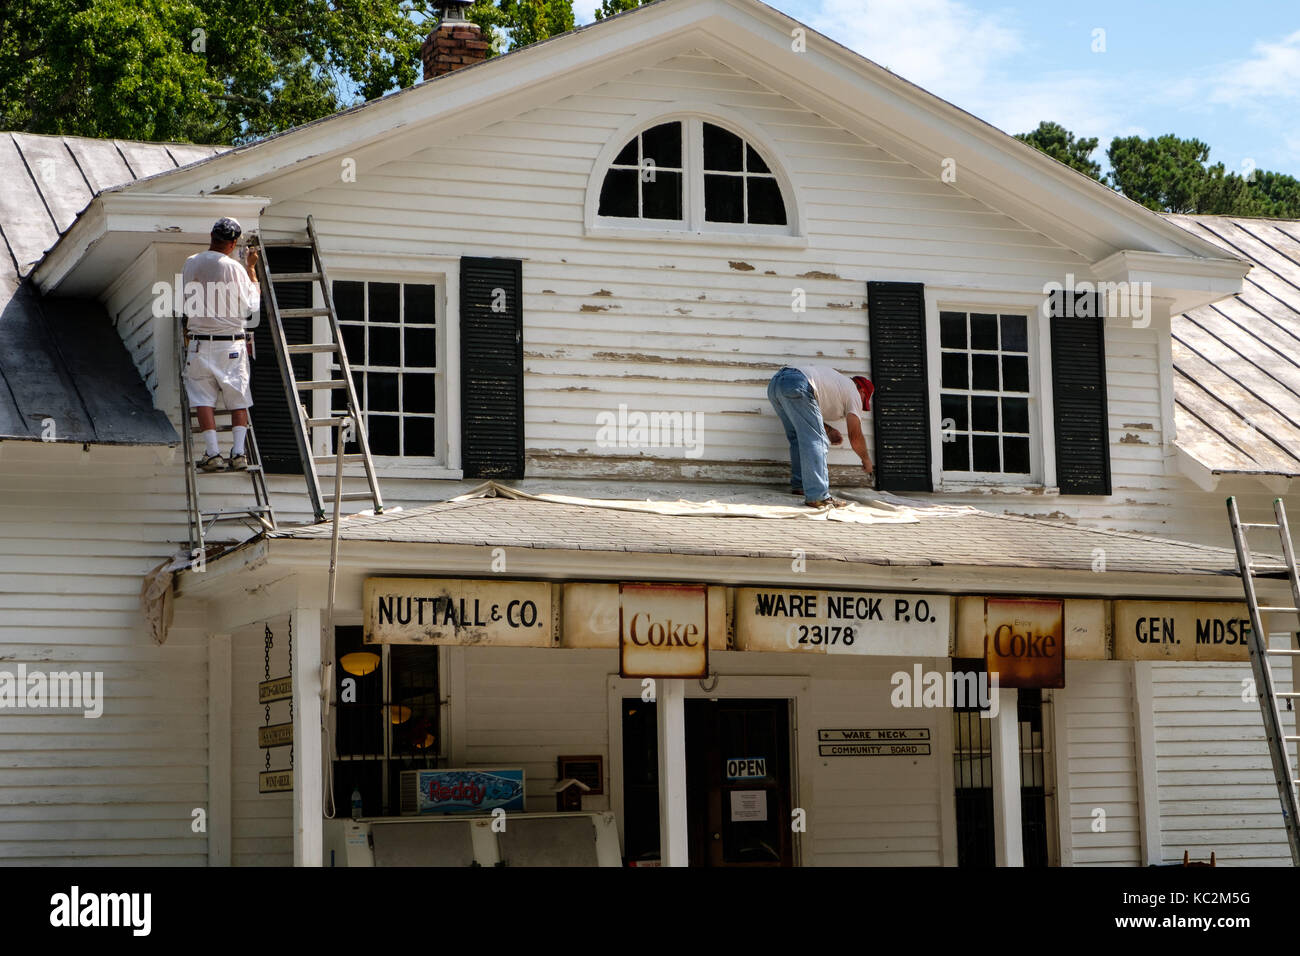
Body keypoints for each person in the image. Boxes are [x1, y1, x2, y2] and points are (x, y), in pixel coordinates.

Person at [182, 218, 261, 471]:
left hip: (199, 343)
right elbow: (252, 307)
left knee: (202, 398)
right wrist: (251, 269)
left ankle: (213, 453)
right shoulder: (236, 268)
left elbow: (185, 299)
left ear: (211, 236)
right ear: (233, 243)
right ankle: (238, 453)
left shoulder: (192, 262)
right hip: (231, 345)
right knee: (238, 398)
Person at [767, 364, 874, 508]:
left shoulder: (837, 383)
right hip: (799, 382)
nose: (861, 405)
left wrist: (829, 430)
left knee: (798, 437)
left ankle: (801, 486)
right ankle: (818, 496)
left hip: (776, 384)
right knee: (818, 441)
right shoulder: (853, 392)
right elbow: (855, 436)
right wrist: (866, 460)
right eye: (863, 401)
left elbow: (807, 417)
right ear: (861, 390)